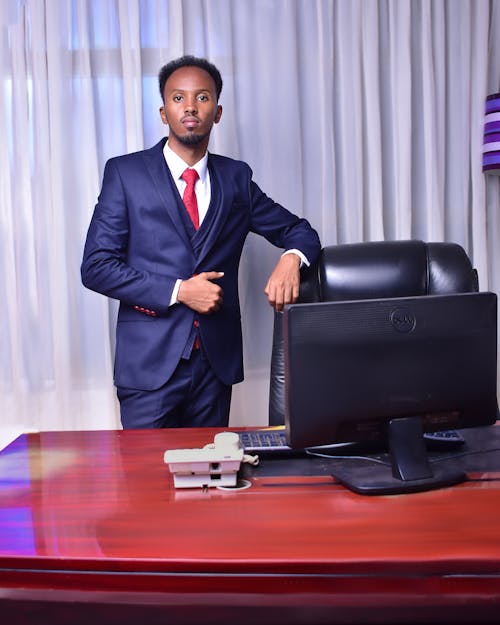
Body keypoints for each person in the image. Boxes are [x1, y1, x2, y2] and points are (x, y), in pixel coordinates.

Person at [81, 55, 321, 429]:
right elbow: (96, 267)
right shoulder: (125, 174)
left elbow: (301, 231)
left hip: (214, 366)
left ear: (218, 111)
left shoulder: (236, 178)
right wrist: (179, 291)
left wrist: (291, 260)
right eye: (178, 98)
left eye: (202, 97)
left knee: (210, 479)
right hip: (148, 367)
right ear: (164, 112)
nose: (190, 106)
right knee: (148, 483)